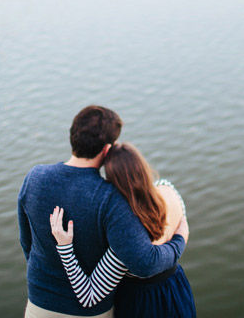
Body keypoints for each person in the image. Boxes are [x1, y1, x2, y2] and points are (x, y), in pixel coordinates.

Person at [18, 106, 189, 318]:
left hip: (38, 304)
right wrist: (179, 239)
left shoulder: (34, 177)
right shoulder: (112, 199)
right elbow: (145, 262)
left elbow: (27, 242)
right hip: (89, 312)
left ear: (73, 136)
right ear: (107, 150)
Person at [49, 143, 196, 318]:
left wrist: (65, 248)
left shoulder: (128, 237)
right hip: (176, 290)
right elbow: (180, 222)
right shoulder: (169, 190)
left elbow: (88, 296)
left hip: (140, 305)